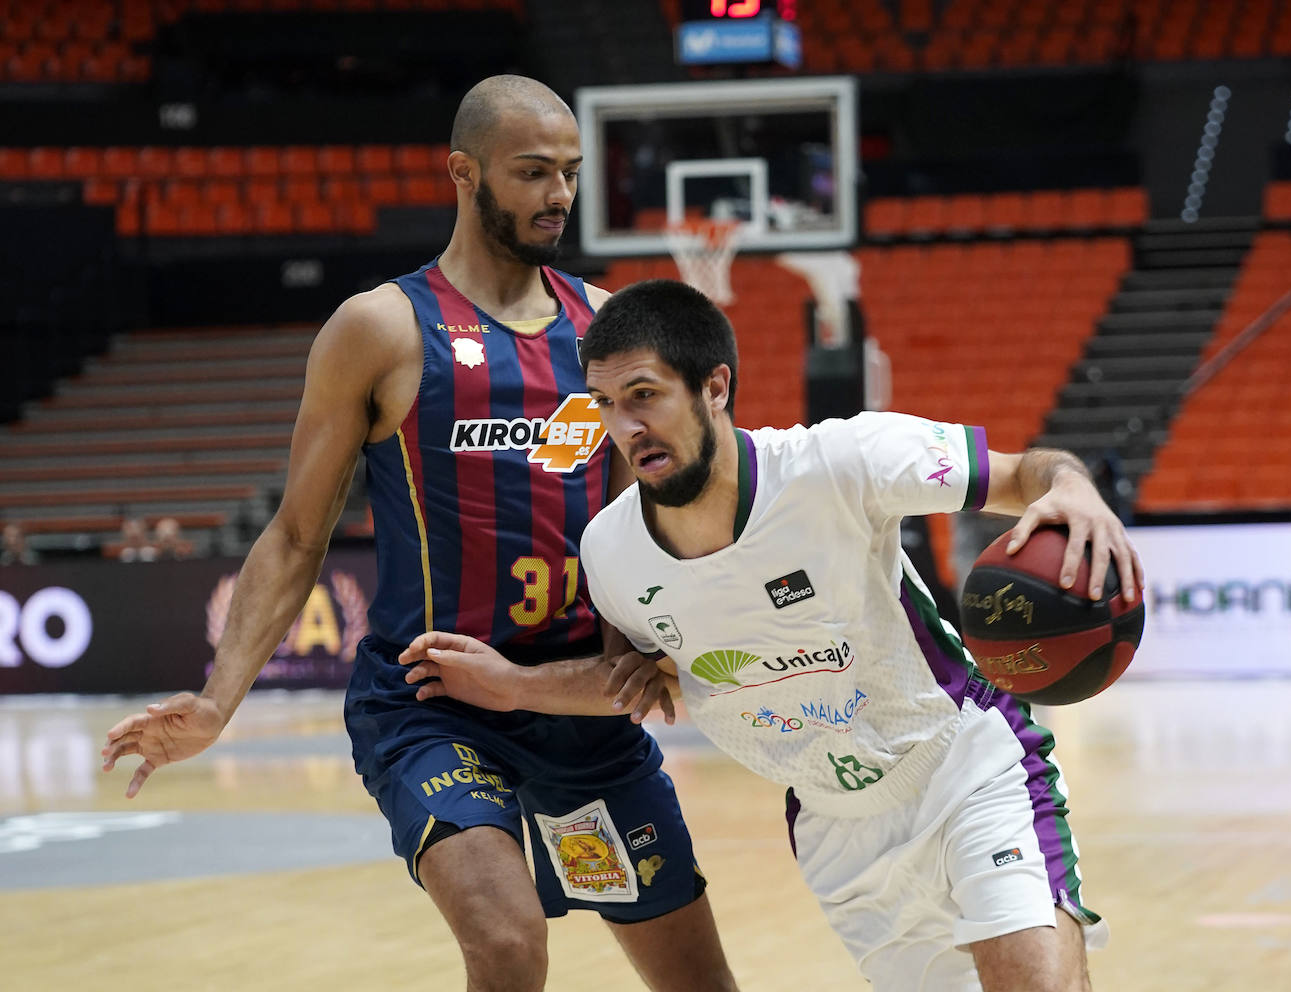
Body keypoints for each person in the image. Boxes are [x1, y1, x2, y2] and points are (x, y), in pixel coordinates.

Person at [102, 80, 737, 992]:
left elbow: (647, 522)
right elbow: (296, 535)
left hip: (575, 700)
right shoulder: (382, 328)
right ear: (463, 173)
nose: (559, 194)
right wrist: (215, 702)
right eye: (533, 173)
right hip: (431, 703)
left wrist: (642, 650)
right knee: (508, 942)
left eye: (569, 173)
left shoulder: (605, 331)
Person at [403, 279, 1143, 992]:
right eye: (605, 404)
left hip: (964, 769)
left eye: (645, 395)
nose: (625, 428)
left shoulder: (840, 462)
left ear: (714, 387)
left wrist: (1072, 487)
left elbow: (1022, 474)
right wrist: (512, 685)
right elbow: (643, 681)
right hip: (835, 828)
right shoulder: (611, 551)